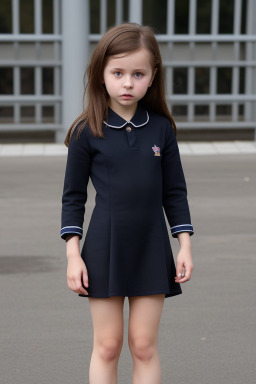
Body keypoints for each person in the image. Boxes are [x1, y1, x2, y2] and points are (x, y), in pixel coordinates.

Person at [60, 22, 194, 384]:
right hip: (104, 248)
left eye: (138, 73)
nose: (128, 82)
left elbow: (174, 193)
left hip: (151, 247)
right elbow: (73, 198)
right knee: (107, 345)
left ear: (152, 77)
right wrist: (74, 255)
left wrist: (184, 246)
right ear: (101, 74)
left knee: (143, 345)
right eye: (117, 72)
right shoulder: (86, 131)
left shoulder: (162, 129)